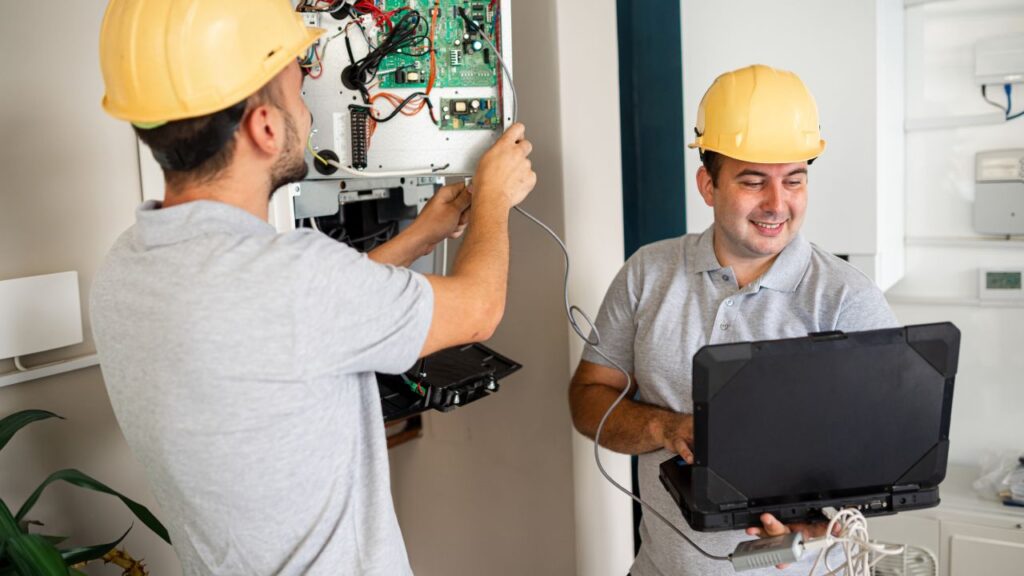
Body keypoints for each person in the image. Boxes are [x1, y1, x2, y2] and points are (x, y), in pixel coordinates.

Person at [90, 1, 535, 574]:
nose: (308, 107)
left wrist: (419, 237)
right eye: (301, 88)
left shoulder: (126, 267)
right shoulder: (296, 280)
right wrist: (495, 195)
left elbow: (294, 324)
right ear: (266, 127)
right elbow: (478, 310)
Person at [568, 64, 898, 575]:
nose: (777, 203)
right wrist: (667, 426)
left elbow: (887, 452)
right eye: (752, 181)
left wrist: (821, 523)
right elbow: (589, 397)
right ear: (708, 184)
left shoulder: (846, 299)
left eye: (794, 180)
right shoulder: (647, 273)